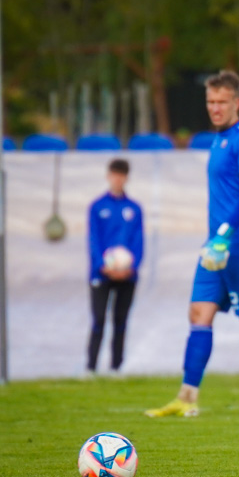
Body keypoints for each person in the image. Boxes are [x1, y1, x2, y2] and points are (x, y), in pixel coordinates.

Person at [145, 70, 239, 418]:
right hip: (215, 244)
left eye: (221, 102)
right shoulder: (218, 138)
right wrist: (216, 238)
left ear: (236, 102)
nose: (215, 108)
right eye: (210, 102)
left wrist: (225, 232)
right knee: (199, 313)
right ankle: (186, 398)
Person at [87, 158, 144, 375]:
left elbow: (139, 241)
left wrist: (132, 266)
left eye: (121, 175)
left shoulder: (134, 209)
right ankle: (91, 367)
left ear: (126, 178)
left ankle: (116, 368)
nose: (117, 179)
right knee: (99, 319)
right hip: (101, 274)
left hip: (127, 275)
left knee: (120, 320)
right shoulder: (97, 207)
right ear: (108, 176)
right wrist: (103, 265)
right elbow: (93, 240)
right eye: (114, 175)